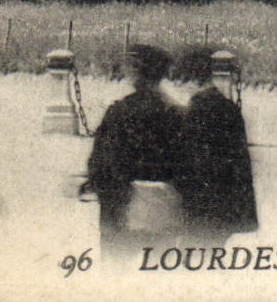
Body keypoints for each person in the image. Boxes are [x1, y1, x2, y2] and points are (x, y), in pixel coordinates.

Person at [83, 45, 185, 261]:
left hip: (122, 208)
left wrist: (97, 185)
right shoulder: (175, 113)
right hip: (165, 209)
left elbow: (103, 160)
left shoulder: (120, 111)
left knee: (116, 278)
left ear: (136, 74)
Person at [172, 48, 258, 248]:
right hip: (227, 207)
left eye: (181, 80)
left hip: (201, 209)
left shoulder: (196, 111)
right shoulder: (228, 108)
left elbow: (190, 163)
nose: (179, 87)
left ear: (193, 79)